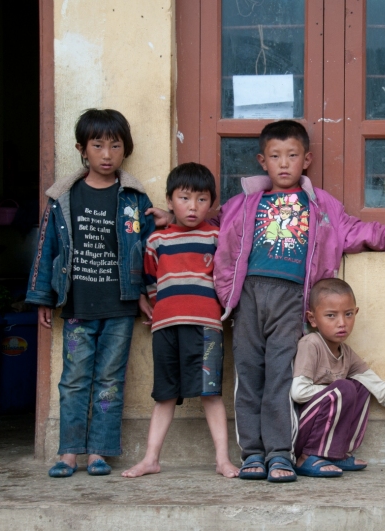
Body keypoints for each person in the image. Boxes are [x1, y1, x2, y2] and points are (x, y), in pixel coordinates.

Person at [212, 120, 385, 482]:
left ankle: (279, 454)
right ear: (263, 161)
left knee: (279, 378)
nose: (284, 163)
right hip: (249, 296)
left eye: (292, 155)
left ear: (307, 159)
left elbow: (359, 230)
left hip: (292, 298)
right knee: (248, 377)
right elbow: (211, 227)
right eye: (275, 156)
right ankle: (252, 455)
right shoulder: (243, 203)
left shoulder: (321, 206)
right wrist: (171, 221)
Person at [26, 109, 154, 477]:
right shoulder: (64, 198)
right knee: (75, 379)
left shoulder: (133, 198)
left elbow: (145, 248)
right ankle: (69, 452)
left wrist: (147, 293)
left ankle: (99, 451)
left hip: (120, 307)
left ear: (125, 150)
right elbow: (46, 248)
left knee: (110, 381)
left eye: (115, 146)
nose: (107, 154)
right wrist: (42, 298)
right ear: (83, 149)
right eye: (98, 145)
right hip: (79, 305)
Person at [122, 163, 238, 479]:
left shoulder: (216, 236)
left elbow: (228, 273)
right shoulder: (156, 241)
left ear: (212, 203)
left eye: (202, 199)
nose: (193, 206)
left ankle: (223, 460)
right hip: (165, 327)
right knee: (164, 394)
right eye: (185, 198)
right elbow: (149, 281)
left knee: (210, 392)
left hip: (206, 328)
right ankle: (150, 458)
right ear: (170, 200)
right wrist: (152, 306)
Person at [291, 278, 385, 477]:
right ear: (312, 319)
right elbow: (298, 392)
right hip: (304, 433)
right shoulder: (311, 344)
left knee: (360, 386)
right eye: (331, 316)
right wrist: (336, 391)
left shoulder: (346, 353)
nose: (342, 323)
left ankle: (337, 454)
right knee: (345, 388)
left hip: (325, 420)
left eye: (348, 314)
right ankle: (307, 457)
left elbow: (378, 386)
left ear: (356, 313)